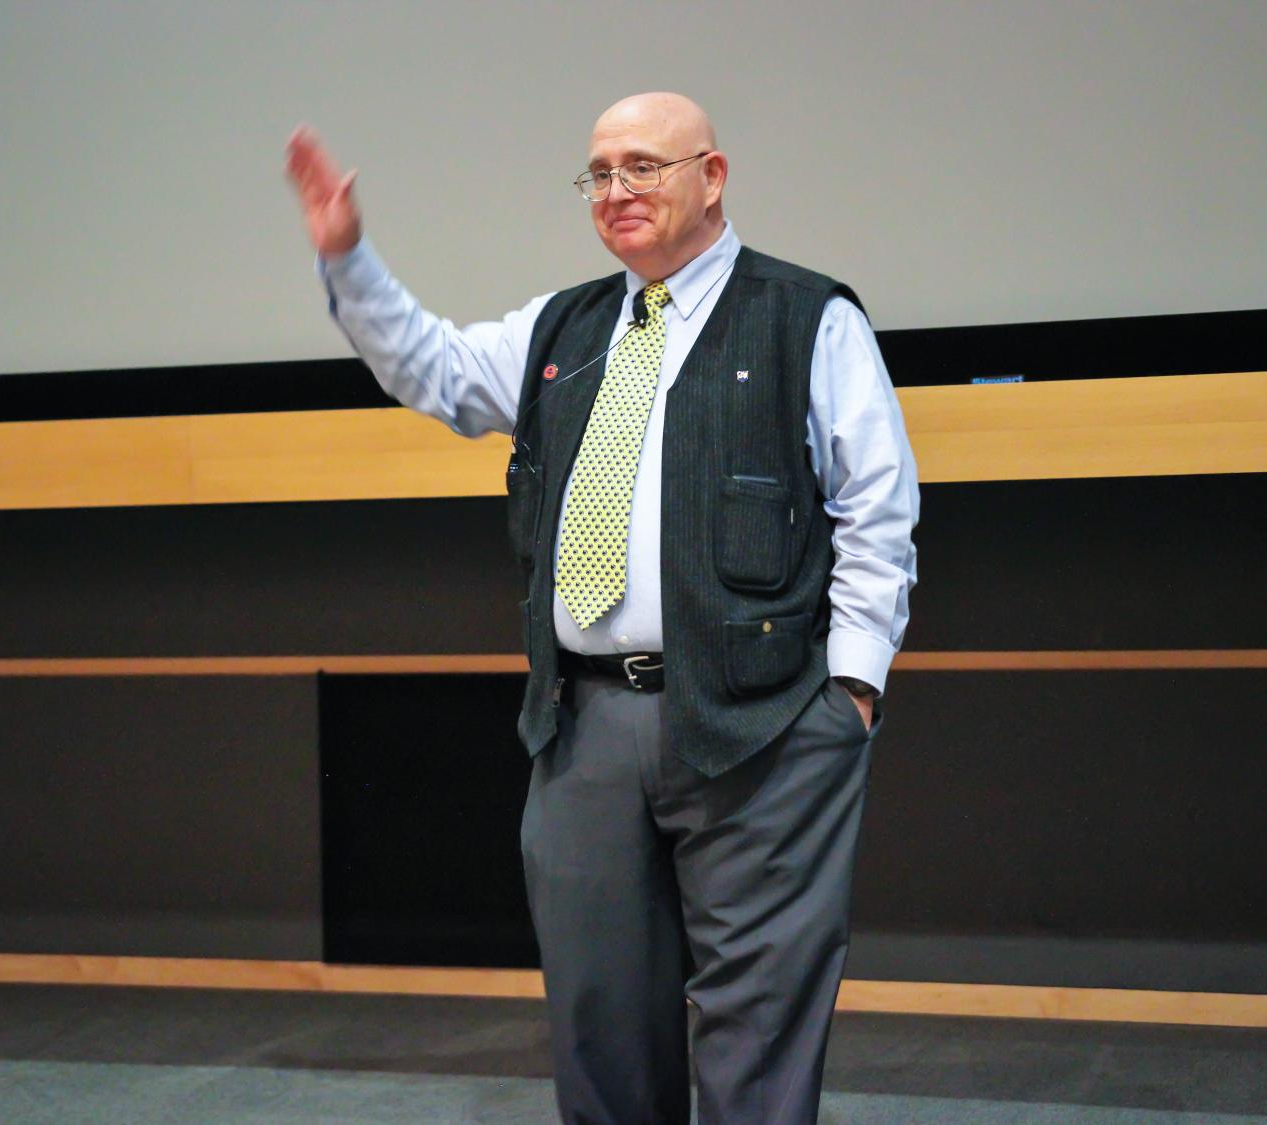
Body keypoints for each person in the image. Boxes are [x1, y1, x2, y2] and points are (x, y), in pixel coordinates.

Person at [285, 91, 918, 1124]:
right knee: (600, 1022)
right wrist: (349, 261)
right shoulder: (564, 327)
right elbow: (434, 368)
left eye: (643, 167)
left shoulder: (808, 318)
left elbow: (876, 508)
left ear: (712, 177)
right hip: (582, 729)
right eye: (600, 173)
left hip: (763, 725)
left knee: (759, 1028)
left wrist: (850, 692)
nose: (617, 190)